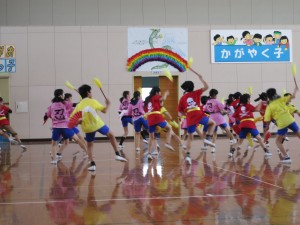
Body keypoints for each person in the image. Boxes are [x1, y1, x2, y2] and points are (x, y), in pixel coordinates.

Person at [70, 84, 127, 171]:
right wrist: (108, 104)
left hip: (87, 128)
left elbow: (73, 120)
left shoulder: (78, 105)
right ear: (88, 92)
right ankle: (117, 154)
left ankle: (92, 164)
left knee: (89, 145)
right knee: (111, 135)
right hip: (97, 124)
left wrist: (79, 121)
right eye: (91, 91)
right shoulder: (92, 101)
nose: (91, 93)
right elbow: (104, 111)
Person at [177, 70, 216, 165]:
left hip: (190, 116)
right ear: (192, 87)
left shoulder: (182, 98)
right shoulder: (196, 93)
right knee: (213, 123)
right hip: (198, 114)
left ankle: (188, 156)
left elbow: (180, 112)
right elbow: (207, 87)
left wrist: (184, 114)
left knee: (190, 137)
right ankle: (208, 138)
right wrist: (201, 78)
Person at [45, 89, 88, 164]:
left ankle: (54, 160)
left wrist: (54, 119)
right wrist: (83, 100)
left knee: (54, 144)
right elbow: (75, 104)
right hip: (65, 126)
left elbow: (47, 115)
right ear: (61, 95)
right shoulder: (65, 103)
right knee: (78, 139)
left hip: (56, 127)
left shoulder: (51, 106)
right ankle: (88, 153)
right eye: (63, 94)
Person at [264, 86, 300, 163]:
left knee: (277, 141)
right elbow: (292, 97)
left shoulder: (269, 106)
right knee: (298, 133)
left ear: (268, 96)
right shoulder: (281, 99)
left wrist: (267, 126)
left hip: (282, 123)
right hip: (290, 119)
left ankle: (287, 158)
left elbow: (267, 118)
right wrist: (295, 90)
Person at [229, 94, 272, 158]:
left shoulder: (238, 108)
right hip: (250, 124)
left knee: (240, 141)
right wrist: (261, 102)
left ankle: (231, 152)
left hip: (243, 125)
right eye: (249, 98)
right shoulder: (248, 106)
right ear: (247, 100)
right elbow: (256, 109)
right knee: (259, 138)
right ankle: (266, 151)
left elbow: (234, 116)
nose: (250, 100)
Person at [144, 86, 174, 160]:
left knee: (151, 137)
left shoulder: (148, 99)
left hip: (150, 118)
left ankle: (148, 154)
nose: (160, 93)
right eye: (159, 92)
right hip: (157, 116)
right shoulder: (156, 96)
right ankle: (167, 143)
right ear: (157, 92)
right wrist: (166, 94)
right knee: (169, 128)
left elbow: (159, 105)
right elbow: (162, 99)